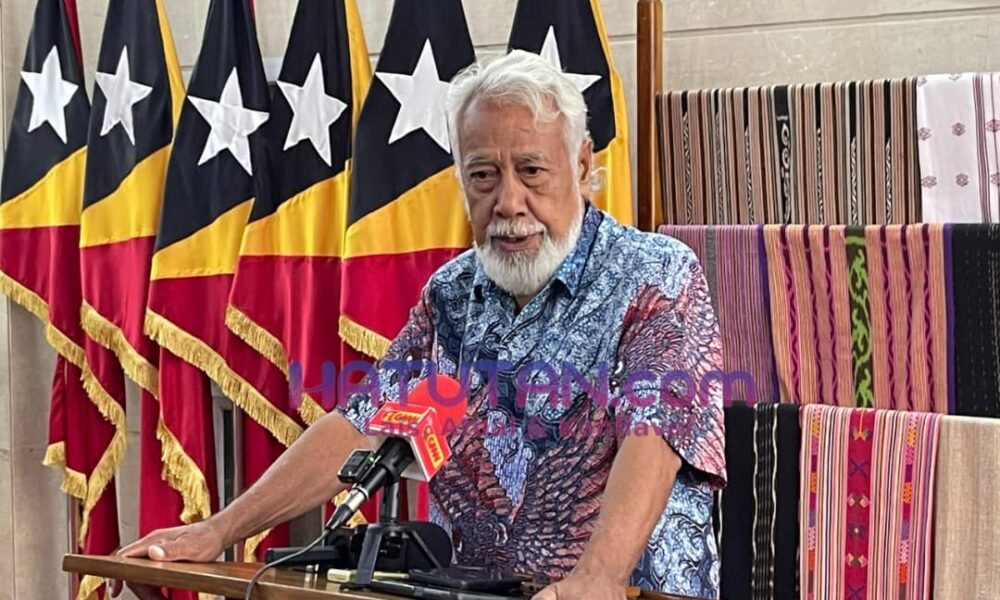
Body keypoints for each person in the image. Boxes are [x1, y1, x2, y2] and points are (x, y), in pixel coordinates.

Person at [113, 50, 727, 600]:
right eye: (483, 175)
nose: (508, 203)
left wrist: (599, 578)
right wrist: (218, 531)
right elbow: (365, 424)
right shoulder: (452, 294)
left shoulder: (655, 274)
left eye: (532, 171)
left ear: (582, 163)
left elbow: (656, 431)